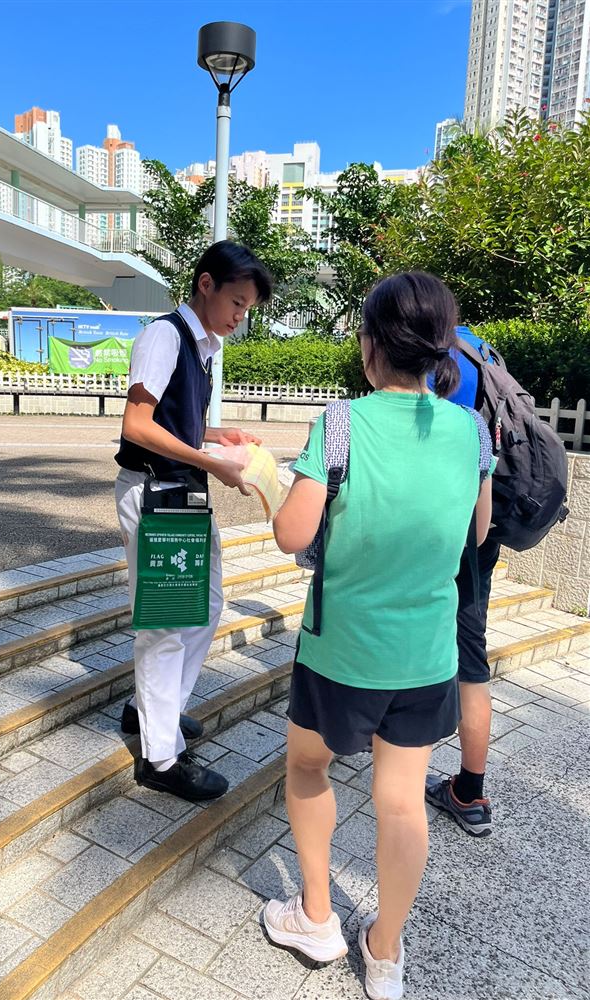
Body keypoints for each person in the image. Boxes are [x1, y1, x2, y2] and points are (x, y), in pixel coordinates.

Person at [263, 272, 494, 1000]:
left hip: (341, 651)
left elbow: (290, 534)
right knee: (400, 802)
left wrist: (266, 478)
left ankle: (317, 916)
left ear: (370, 346)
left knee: (307, 768)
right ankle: (385, 952)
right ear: (437, 350)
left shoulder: (339, 423)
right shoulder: (471, 429)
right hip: (426, 654)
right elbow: (478, 532)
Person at [114, 240, 272, 802]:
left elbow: (174, 422)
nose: (239, 316)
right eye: (236, 302)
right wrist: (213, 462)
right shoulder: (164, 336)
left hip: (181, 493)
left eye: (248, 308)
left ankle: (154, 711)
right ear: (205, 284)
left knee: (203, 606)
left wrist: (215, 435)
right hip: (157, 492)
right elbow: (137, 425)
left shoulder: (200, 347)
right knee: (163, 626)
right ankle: (160, 758)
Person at [424, 326, 500, 837]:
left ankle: (385, 741)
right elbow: (482, 522)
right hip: (475, 540)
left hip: (429, 528)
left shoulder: (427, 351)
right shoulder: (482, 350)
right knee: (472, 662)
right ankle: (469, 792)